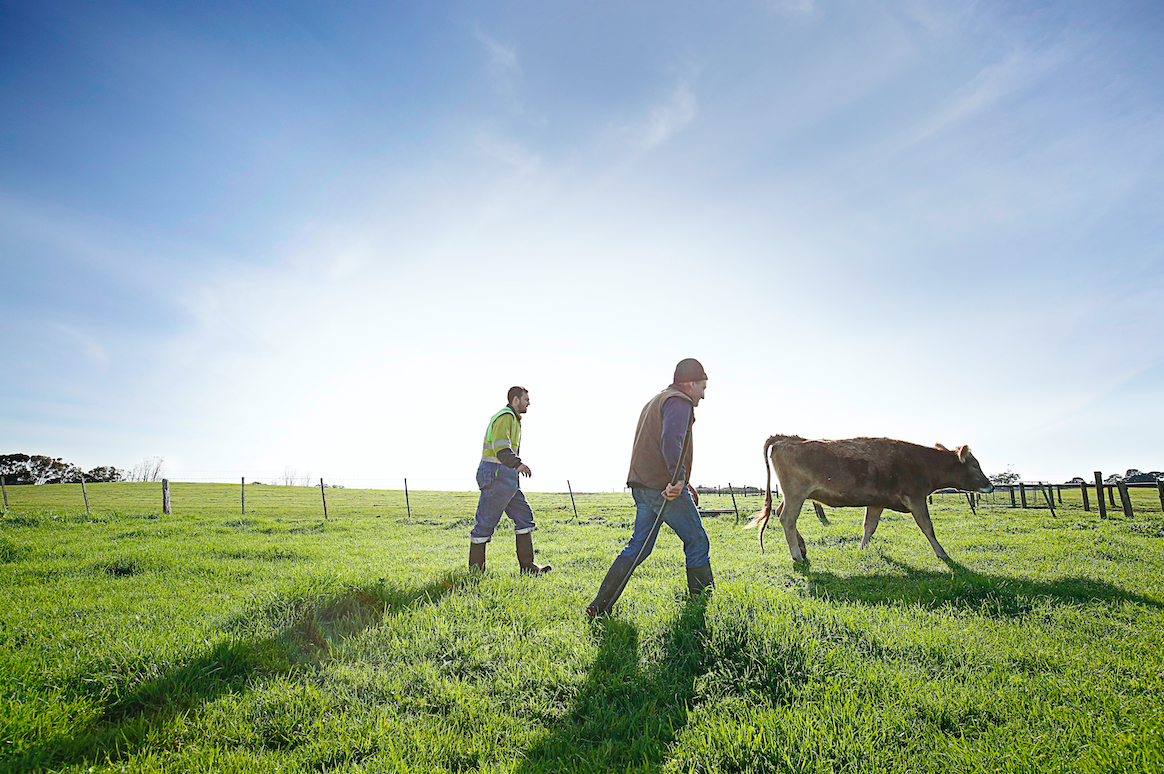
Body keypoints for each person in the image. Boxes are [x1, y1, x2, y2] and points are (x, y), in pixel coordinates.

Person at [586, 358, 713, 617]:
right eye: (702, 387)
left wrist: (684, 482)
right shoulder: (679, 401)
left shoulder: (658, 399)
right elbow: (670, 441)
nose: (703, 394)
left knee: (638, 548)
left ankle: (599, 607)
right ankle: (703, 608)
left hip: (642, 486)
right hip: (662, 488)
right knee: (697, 540)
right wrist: (678, 479)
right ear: (690, 384)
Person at [468, 386, 552, 574]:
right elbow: (500, 447)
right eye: (526, 399)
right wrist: (518, 464)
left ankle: (528, 567)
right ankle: (475, 574)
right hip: (497, 475)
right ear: (515, 400)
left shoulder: (514, 419)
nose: (528, 403)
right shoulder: (506, 417)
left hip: (506, 477)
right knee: (484, 524)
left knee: (524, 517)